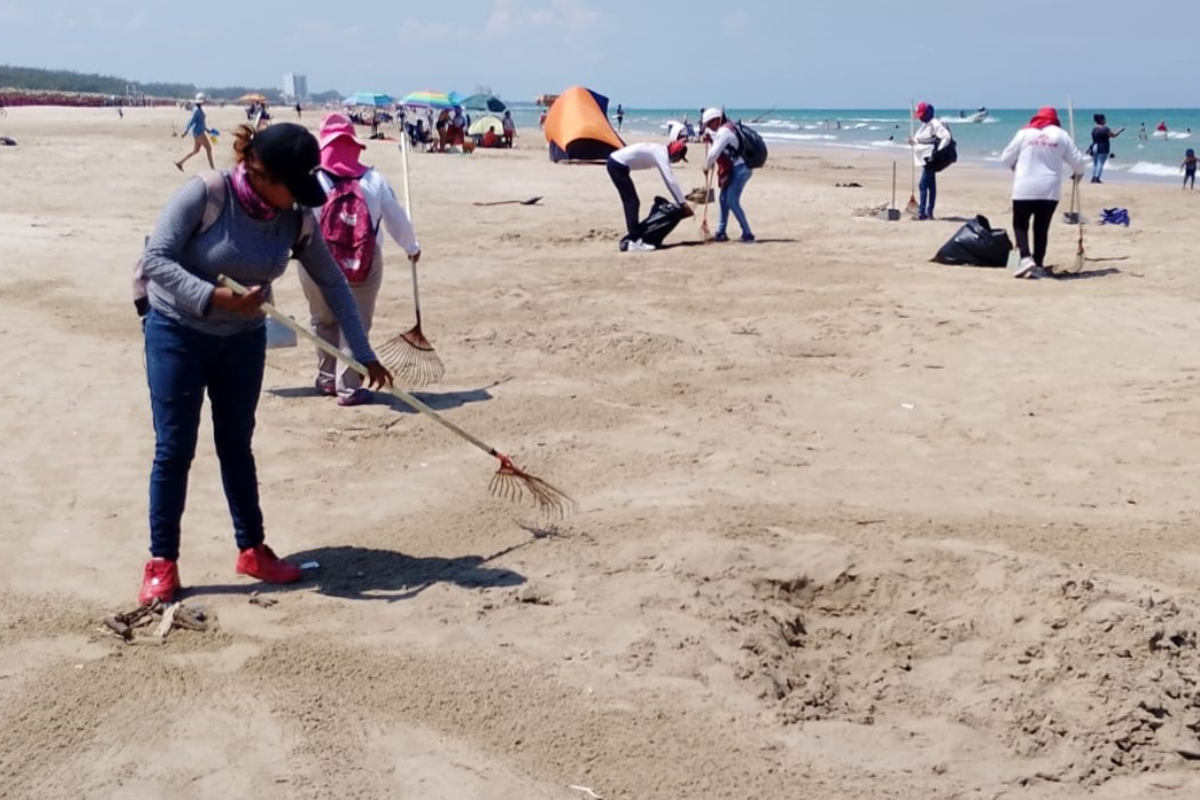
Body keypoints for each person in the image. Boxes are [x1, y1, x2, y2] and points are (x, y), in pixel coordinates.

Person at [137, 122, 393, 604]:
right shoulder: (207, 194)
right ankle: (161, 562)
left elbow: (335, 284)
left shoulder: (295, 218)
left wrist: (363, 353)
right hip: (178, 334)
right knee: (175, 449)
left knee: (237, 446)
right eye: (290, 188)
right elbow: (157, 260)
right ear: (259, 171)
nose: (297, 199)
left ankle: (252, 549)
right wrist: (214, 297)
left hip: (242, 341)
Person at [302, 113, 421, 405]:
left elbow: (297, 222)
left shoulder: (312, 179)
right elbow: (397, 220)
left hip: (315, 259)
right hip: (364, 261)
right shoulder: (374, 180)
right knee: (354, 322)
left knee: (324, 320)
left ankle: (327, 378)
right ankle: (349, 386)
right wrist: (411, 246)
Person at [1000, 107, 1088, 279]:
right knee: (1041, 227)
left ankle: (1025, 258)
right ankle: (1038, 263)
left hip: (1024, 186)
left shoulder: (1024, 133)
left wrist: (1016, 167)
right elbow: (1078, 163)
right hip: (1050, 189)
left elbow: (1006, 158)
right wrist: (1078, 172)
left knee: (1020, 224)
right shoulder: (1061, 135)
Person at [606, 139, 692, 251]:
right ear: (675, 153)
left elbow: (668, 180)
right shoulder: (661, 154)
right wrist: (683, 203)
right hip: (617, 165)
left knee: (632, 202)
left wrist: (681, 201)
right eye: (679, 158)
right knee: (632, 203)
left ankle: (634, 237)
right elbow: (670, 180)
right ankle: (634, 241)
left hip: (617, 163)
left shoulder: (659, 151)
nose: (677, 161)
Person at [702, 107, 755, 243]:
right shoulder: (728, 128)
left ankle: (748, 234)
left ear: (716, 120)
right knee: (723, 199)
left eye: (709, 124)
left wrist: (706, 166)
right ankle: (721, 232)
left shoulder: (725, 131)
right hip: (740, 167)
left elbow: (714, 153)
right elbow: (719, 139)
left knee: (731, 200)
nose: (708, 127)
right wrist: (709, 136)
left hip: (740, 168)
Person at [907, 102, 952, 220]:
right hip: (925, 158)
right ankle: (929, 213)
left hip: (930, 159)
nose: (920, 117)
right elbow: (921, 140)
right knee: (931, 186)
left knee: (923, 185)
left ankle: (922, 213)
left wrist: (938, 152)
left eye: (922, 114)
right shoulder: (925, 125)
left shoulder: (934, 123)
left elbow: (946, 137)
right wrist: (913, 142)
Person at [175, 92, 214, 171]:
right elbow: (191, 121)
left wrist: (207, 130)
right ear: (202, 101)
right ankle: (213, 169)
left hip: (198, 132)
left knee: (196, 151)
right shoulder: (196, 110)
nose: (205, 101)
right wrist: (185, 132)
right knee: (209, 149)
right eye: (204, 100)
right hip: (199, 133)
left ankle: (180, 163)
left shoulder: (198, 109)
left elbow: (200, 122)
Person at [1089, 114, 1124, 184]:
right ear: (1101, 120)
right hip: (1103, 147)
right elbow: (1113, 135)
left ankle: (1093, 177)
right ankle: (1097, 178)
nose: (1105, 120)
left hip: (1094, 146)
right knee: (1100, 163)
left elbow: (1094, 139)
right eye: (1104, 119)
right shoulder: (1105, 129)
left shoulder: (1094, 129)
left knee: (1095, 163)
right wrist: (1121, 130)